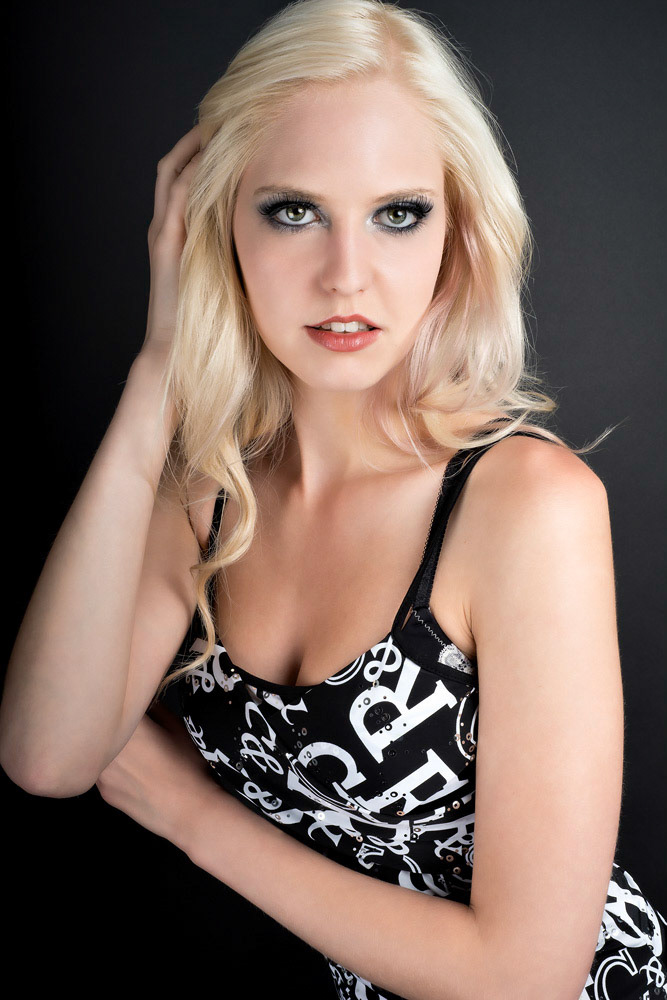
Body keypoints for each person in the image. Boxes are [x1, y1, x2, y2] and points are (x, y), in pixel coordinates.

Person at [1, 1, 664, 997]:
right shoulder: (208, 496)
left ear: (455, 233)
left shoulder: (524, 503)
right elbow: (47, 756)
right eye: (293, 211)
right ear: (217, 225)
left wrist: (191, 815)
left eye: (398, 214)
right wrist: (159, 368)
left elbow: (526, 978)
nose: (345, 277)